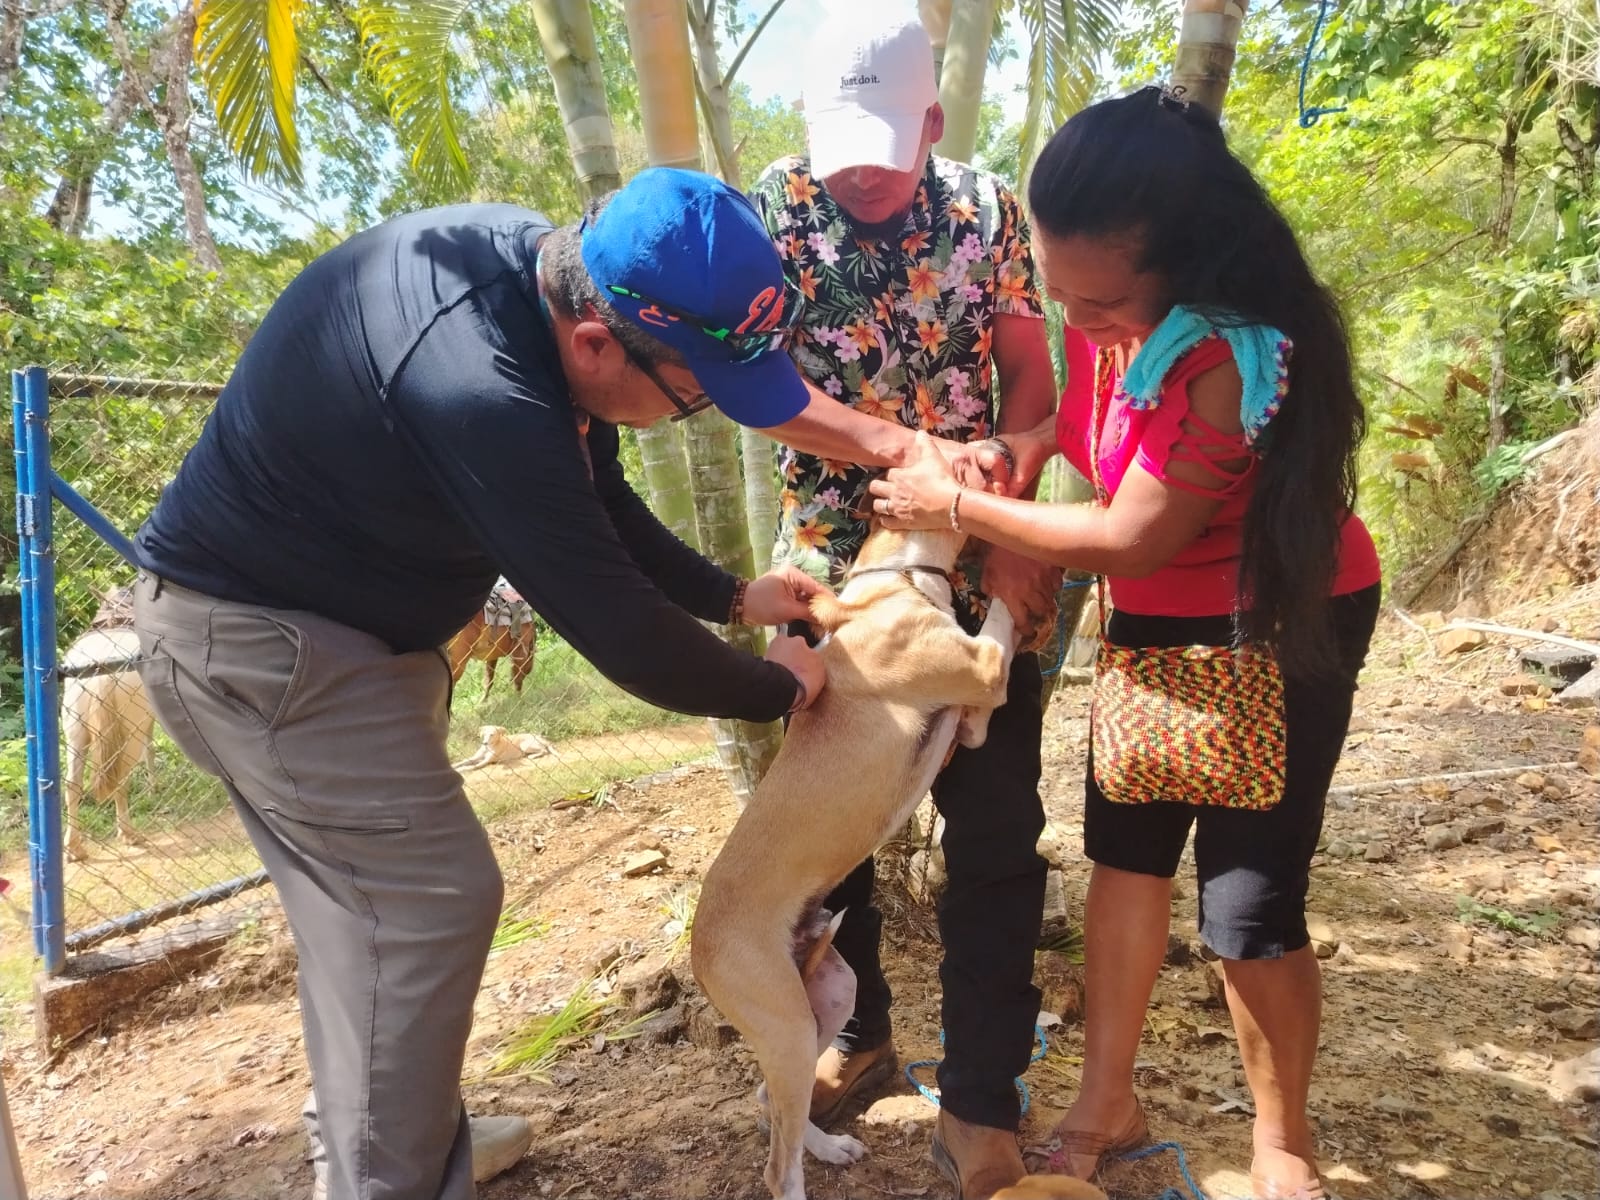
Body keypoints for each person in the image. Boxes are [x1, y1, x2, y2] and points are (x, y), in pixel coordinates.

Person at [130, 167, 999, 1200]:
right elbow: (620, 630)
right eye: (693, 396)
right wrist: (780, 688)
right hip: (271, 646)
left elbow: (601, 501)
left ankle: (404, 1131)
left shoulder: (550, 280)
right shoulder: (482, 389)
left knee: (363, 925)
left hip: (348, 641)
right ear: (597, 345)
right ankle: (389, 1171)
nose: (693, 416)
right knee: (422, 907)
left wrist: (733, 595)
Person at [865, 87, 1383, 1200]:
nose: (1079, 318)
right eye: (1061, 294)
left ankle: (1282, 1140)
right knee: (1127, 858)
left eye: (1100, 303)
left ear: (1187, 269)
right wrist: (1013, 458)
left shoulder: (1232, 355)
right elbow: (1088, 437)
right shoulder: (1109, 313)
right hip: (1154, 625)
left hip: (1275, 622)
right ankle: (1108, 1097)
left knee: (1246, 906)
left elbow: (1132, 534)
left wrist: (958, 509)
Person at [745, 13, 1063, 1197]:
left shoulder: (987, 210)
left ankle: (980, 1096)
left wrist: (1006, 510)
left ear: (929, 120)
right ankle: (858, 1028)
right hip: (834, 571)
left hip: (978, 542)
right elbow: (758, 387)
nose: (861, 176)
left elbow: (1030, 378)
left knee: (997, 825)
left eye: (884, 147)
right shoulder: (774, 211)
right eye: (840, 151)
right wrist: (895, 448)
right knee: (830, 835)